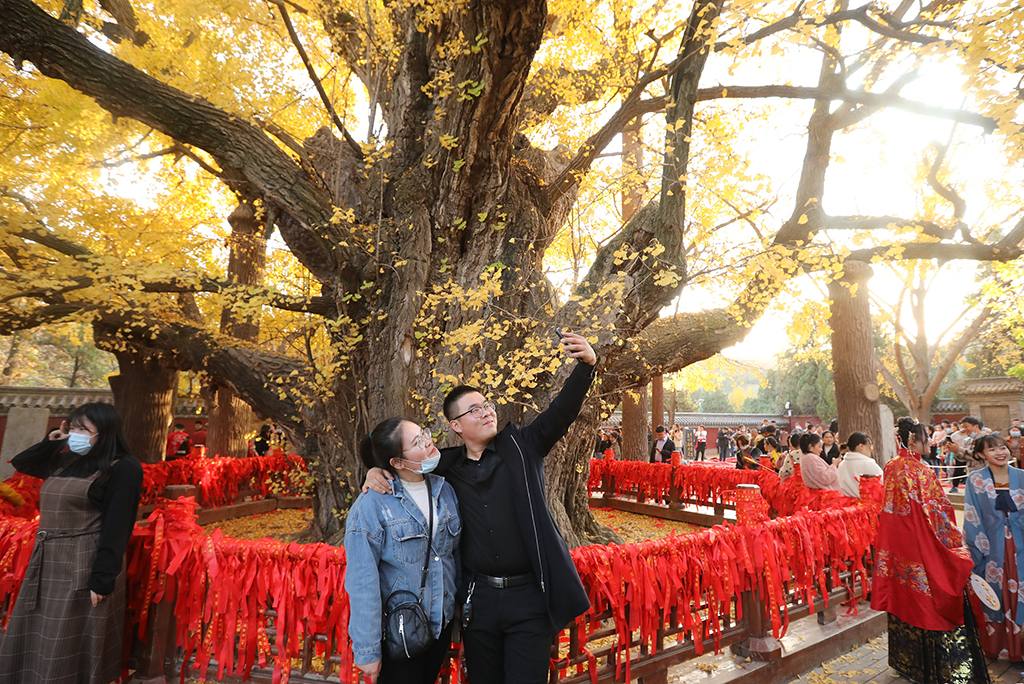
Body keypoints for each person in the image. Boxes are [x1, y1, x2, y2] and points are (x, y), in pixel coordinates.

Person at [363, 331, 597, 684]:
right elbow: (397, 458)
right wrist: (373, 471)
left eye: (487, 405)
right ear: (455, 425)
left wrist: (586, 367)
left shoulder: (524, 445)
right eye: (474, 410)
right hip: (479, 599)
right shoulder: (446, 466)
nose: (486, 412)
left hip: (529, 597)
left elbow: (561, 413)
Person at [0, 402, 143, 684]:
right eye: (73, 427)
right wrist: (53, 439)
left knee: (68, 635)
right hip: (47, 557)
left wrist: (102, 577)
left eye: (83, 429)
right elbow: (23, 464)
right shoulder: (67, 460)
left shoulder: (123, 467)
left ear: (105, 432)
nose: (75, 434)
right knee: (37, 627)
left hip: (84, 559)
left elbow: (119, 525)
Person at [871, 417, 988, 684]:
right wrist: (953, 542)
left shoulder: (891, 466)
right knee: (930, 602)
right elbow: (938, 512)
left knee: (905, 601)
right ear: (912, 439)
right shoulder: (920, 471)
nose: (930, 442)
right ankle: (935, 669)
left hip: (898, 544)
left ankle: (909, 664)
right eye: (926, 437)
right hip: (923, 544)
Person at [345, 418, 461, 683]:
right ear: (396, 462)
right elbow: (362, 582)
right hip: (399, 628)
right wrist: (367, 651)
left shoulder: (445, 490)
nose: (428, 442)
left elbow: (453, 555)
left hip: (438, 624)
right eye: (417, 442)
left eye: (425, 434)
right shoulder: (372, 505)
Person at [964, 434, 1024, 660]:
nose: (1000, 453)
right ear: (981, 454)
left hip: (1022, 545)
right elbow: (972, 516)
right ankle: (998, 647)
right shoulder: (975, 479)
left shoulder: (1022, 476)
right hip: (991, 548)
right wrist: (977, 549)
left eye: (1003, 448)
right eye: (992, 450)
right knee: (995, 593)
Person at [837, 432, 883, 498]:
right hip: (868, 505)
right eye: (869, 445)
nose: (871, 449)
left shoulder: (842, 464)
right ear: (861, 446)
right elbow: (884, 482)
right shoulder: (868, 463)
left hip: (847, 505)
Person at [949, 418, 986, 492]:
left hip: (985, 475)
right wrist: (955, 451)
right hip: (971, 475)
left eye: (966, 426)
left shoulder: (986, 440)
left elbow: (978, 456)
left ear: (976, 426)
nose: (964, 429)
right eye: (963, 427)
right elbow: (963, 459)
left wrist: (959, 449)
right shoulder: (967, 440)